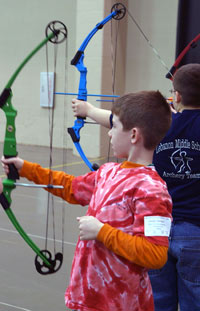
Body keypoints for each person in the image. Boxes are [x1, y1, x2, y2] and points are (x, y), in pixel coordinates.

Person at [2, 91, 172, 311]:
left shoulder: (152, 190)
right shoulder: (109, 172)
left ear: (134, 135)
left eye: (115, 126)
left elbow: (155, 254)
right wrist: (26, 169)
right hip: (89, 297)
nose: (109, 133)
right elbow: (72, 188)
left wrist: (101, 232)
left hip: (121, 303)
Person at [72, 63, 200, 311]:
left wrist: (87, 110)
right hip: (195, 232)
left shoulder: (163, 124)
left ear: (178, 96)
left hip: (156, 229)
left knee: (159, 298)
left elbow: (117, 121)